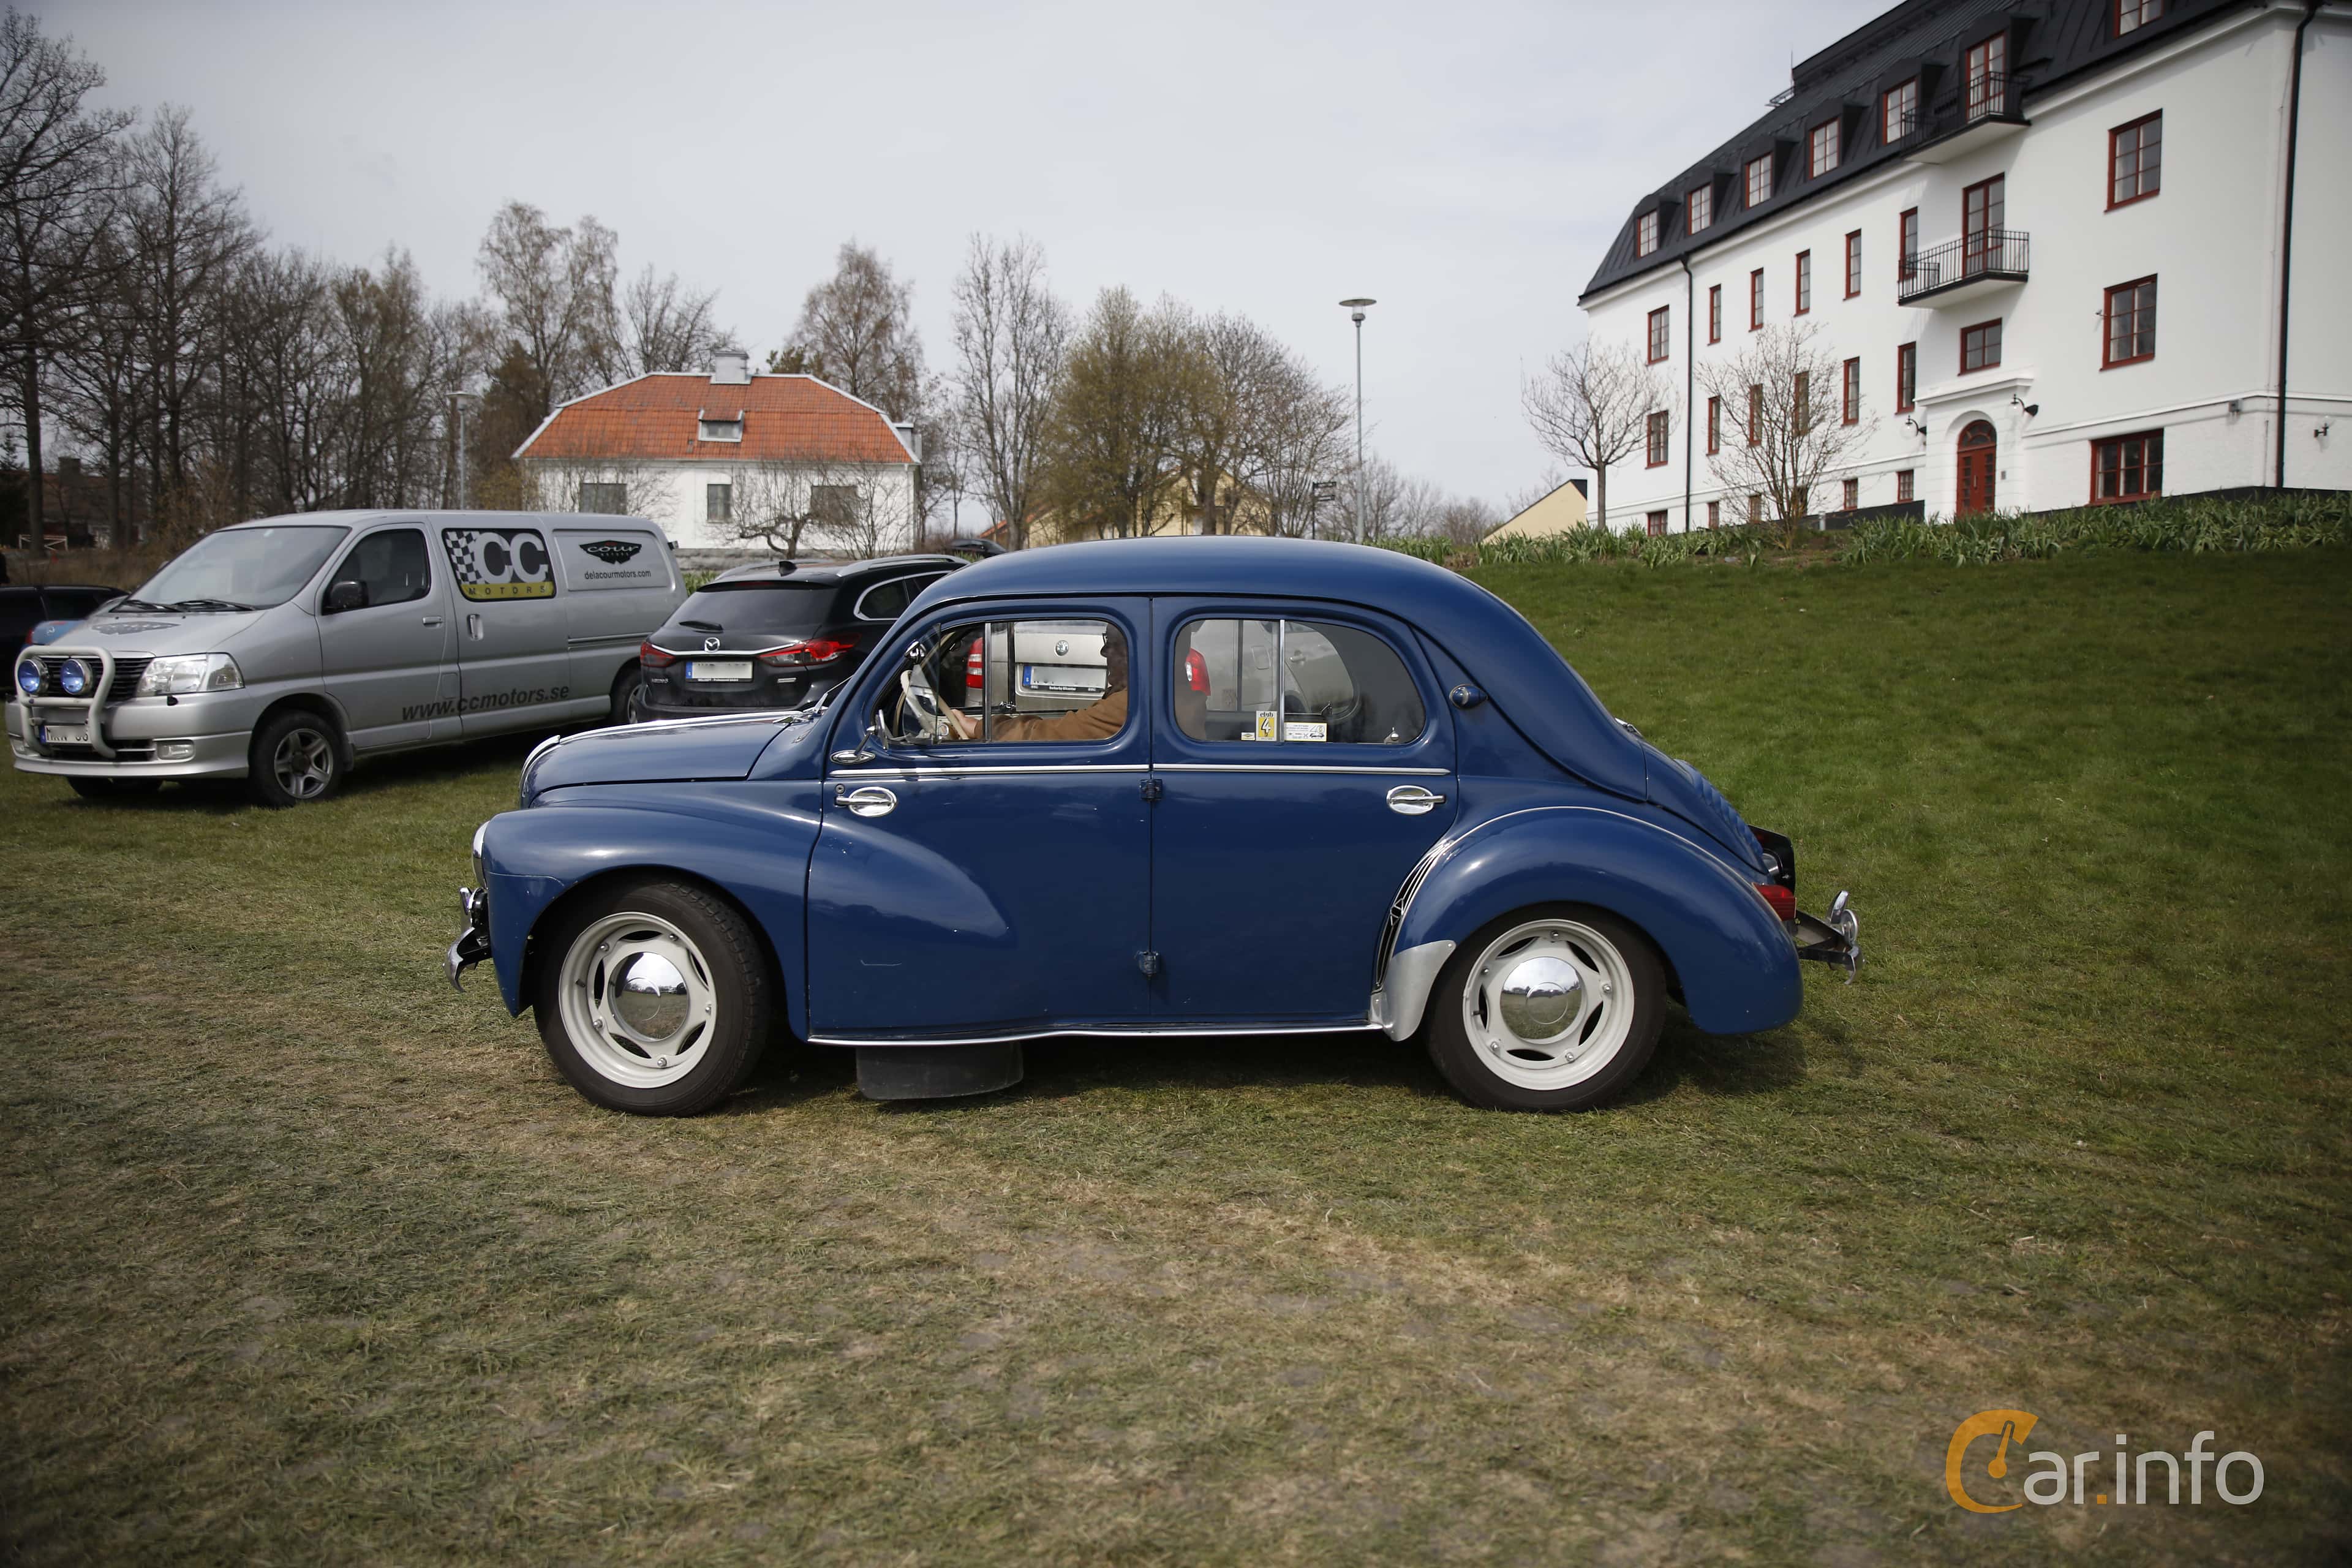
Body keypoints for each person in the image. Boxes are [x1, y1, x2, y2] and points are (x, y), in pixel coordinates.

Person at [947, 630, 1127, 742]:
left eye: (1112, 643)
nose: (1104, 651)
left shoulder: (1129, 702)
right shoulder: (1127, 694)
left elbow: (1054, 734)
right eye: (1106, 641)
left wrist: (979, 728)